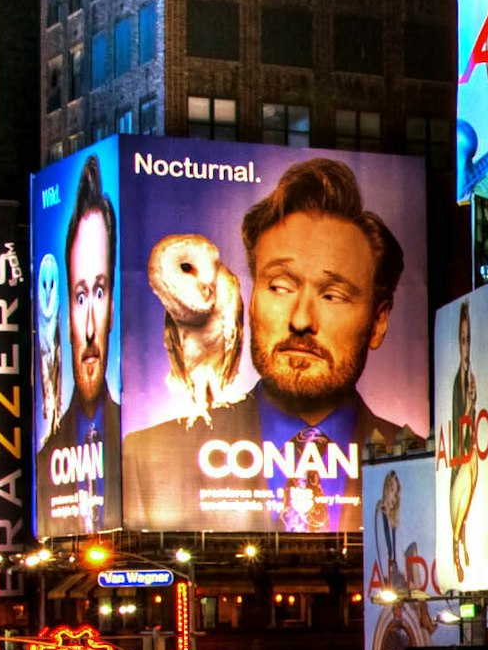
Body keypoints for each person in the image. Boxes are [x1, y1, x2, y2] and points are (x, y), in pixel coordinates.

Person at [121, 157, 421, 532]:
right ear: (252, 296)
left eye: (332, 295)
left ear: (378, 322)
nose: (300, 320)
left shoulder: (424, 462)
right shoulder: (145, 459)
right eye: (280, 287)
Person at [37, 167, 122, 538]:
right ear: (66, 317)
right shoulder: (42, 465)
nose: (89, 328)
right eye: (80, 296)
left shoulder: (146, 448)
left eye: (99, 293)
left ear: (113, 309)